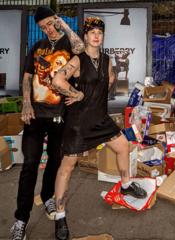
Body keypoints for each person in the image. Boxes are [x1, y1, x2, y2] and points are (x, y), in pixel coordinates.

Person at [51, 17, 147, 240]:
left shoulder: (106, 60)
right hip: (78, 123)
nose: (96, 35)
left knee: (123, 146)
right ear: (85, 36)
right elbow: (57, 81)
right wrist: (76, 94)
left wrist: (107, 82)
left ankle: (125, 185)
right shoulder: (77, 60)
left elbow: (110, 80)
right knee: (67, 167)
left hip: (100, 119)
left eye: (99, 33)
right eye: (92, 32)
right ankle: (60, 215)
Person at [11, 6, 84, 240]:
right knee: (30, 165)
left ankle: (47, 196)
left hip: (59, 113)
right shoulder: (36, 47)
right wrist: (25, 103)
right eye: (43, 27)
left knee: (55, 160)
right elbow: (27, 78)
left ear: (57, 20)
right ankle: (21, 220)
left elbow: (80, 48)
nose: (48, 30)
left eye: (51, 24)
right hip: (35, 114)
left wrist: (64, 26)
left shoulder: (67, 44)